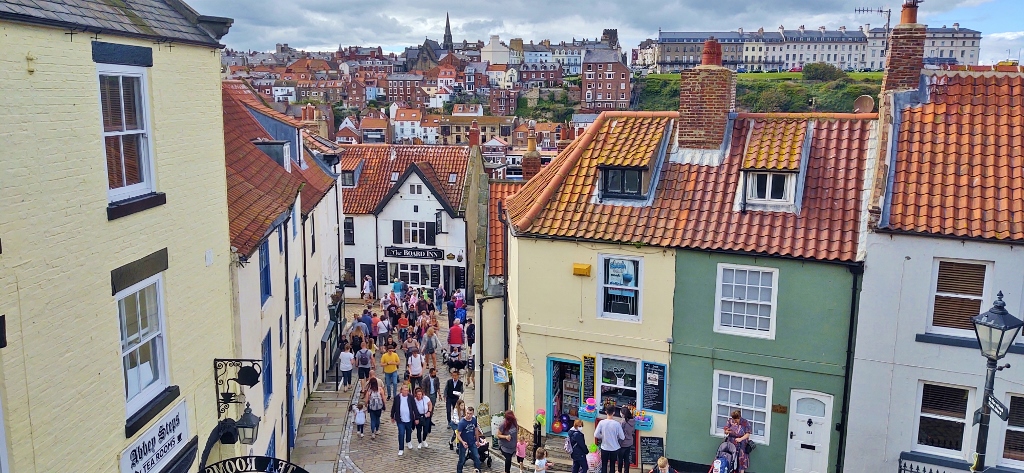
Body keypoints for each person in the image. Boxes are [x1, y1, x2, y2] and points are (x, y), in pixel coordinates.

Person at [390, 384, 421, 456]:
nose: (406, 392)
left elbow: (414, 408)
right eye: (405, 390)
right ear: (401, 390)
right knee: (401, 433)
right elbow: (394, 407)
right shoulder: (397, 398)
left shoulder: (410, 397)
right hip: (400, 419)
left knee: (409, 431)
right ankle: (401, 448)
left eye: (407, 390)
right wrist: (392, 416)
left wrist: (416, 418)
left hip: (409, 419)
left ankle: (408, 440)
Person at [594, 406, 625, 473]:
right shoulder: (617, 424)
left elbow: (596, 434)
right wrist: (616, 437)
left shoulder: (601, 422)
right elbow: (622, 437)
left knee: (604, 465)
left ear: (606, 412)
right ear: (614, 413)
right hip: (614, 448)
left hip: (604, 447)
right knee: (612, 465)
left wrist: (602, 436)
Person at [456, 405, 482, 473]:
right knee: (461, 460)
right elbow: (458, 434)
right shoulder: (462, 422)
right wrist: (462, 442)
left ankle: (478, 470)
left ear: (473, 414)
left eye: (470, 414)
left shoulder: (474, 420)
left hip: (472, 442)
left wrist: (477, 441)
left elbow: (476, 430)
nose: (468, 415)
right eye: (467, 413)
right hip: (464, 443)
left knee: (477, 457)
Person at [618, 407, 636, 473]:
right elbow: (633, 431)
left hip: (623, 444)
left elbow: (620, 434)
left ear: (623, 414)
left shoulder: (623, 422)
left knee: (620, 459)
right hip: (630, 443)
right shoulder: (633, 421)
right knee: (627, 459)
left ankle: (619, 471)